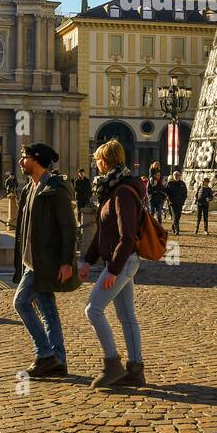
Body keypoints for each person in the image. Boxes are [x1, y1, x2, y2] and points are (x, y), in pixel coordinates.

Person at [10, 143, 79, 379]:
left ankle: (45, 354)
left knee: (20, 303)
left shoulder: (55, 190)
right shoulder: (30, 188)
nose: (21, 162)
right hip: (31, 259)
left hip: (45, 261)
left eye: (24, 158)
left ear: (37, 160)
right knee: (48, 311)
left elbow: (68, 229)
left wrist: (67, 262)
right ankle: (58, 361)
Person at [79, 138, 145, 389]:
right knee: (127, 316)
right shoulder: (112, 189)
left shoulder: (123, 192)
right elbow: (102, 233)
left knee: (93, 310)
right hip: (120, 261)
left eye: (97, 160)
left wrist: (113, 270)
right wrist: (88, 261)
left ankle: (112, 364)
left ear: (104, 162)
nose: (95, 165)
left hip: (124, 262)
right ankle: (136, 370)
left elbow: (127, 237)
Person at [167, 170, 187, 235]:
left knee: (178, 217)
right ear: (173, 176)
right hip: (172, 203)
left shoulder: (182, 184)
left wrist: (183, 201)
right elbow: (167, 193)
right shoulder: (170, 183)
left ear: (179, 176)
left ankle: (173, 225)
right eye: (175, 175)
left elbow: (185, 193)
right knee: (175, 216)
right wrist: (169, 200)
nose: (176, 176)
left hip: (180, 203)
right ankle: (177, 230)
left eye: (178, 175)